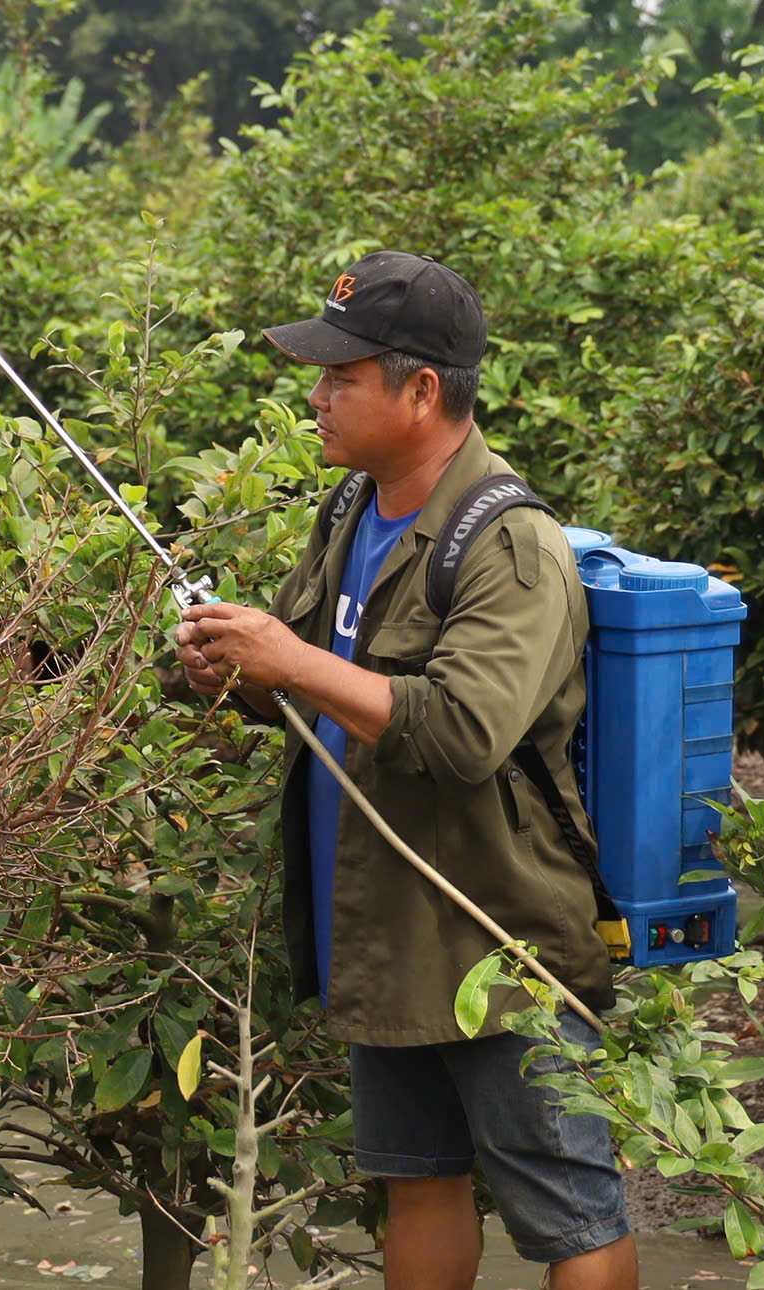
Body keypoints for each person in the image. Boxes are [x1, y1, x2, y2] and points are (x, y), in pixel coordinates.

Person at [174, 252, 634, 1290]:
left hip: (496, 936)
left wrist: (289, 660)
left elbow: (467, 730)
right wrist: (229, 663)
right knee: (416, 1180)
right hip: (384, 925)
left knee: (568, 1207)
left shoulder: (511, 543)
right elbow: (305, 673)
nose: (316, 394)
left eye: (342, 375)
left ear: (421, 389)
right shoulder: (351, 508)